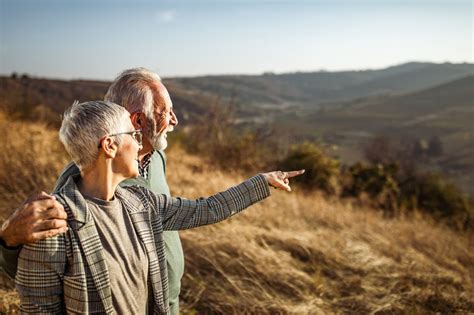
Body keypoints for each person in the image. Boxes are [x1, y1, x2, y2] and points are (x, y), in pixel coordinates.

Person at [15, 100, 304, 313]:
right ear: (109, 146)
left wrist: (262, 182)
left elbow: (205, 209)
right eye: (133, 135)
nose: (140, 143)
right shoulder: (53, 226)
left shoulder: (142, 202)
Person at [1, 67, 183, 313]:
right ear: (137, 121)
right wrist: (8, 241)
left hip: (167, 304)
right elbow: (41, 263)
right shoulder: (77, 180)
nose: (174, 120)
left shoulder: (158, 157)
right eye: (166, 112)